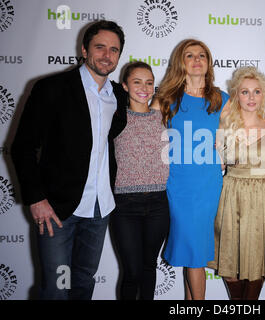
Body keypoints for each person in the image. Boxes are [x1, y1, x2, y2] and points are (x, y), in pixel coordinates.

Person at [10, 20, 127, 300]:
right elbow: (22, 147)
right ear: (84, 50)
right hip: (58, 211)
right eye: (100, 47)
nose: (107, 55)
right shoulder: (52, 88)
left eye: (114, 50)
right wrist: (36, 199)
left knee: (83, 284)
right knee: (56, 289)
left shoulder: (118, 96)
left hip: (100, 209)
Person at [152, 39, 229, 300]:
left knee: (194, 253)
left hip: (208, 185)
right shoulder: (165, 99)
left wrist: (226, 152)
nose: (197, 60)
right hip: (177, 185)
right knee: (193, 253)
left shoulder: (221, 98)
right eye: (189, 55)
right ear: (180, 62)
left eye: (202, 55)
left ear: (208, 62)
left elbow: (243, 132)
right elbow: (144, 135)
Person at [208, 66, 265, 300]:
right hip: (231, 193)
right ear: (236, 94)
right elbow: (217, 164)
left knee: (255, 263)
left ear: (264, 95)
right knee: (229, 265)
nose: (251, 97)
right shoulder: (225, 124)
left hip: (262, 196)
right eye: (245, 92)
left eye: (256, 92)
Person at [110, 62, 169, 300]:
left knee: (148, 267)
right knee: (132, 271)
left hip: (159, 203)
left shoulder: (163, 117)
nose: (144, 88)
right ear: (124, 85)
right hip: (125, 205)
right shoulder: (114, 118)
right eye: (137, 82)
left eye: (149, 82)